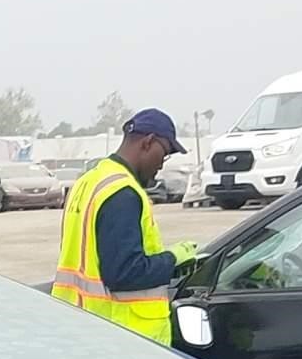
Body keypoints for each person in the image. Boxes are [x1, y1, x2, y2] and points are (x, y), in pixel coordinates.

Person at [50, 109, 200, 343]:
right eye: (165, 152)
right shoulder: (123, 192)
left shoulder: (88, 181)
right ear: (148, 142)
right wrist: (173, 259)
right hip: (123, 336)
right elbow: (124, 273)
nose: (162, 164)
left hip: (81, 326)